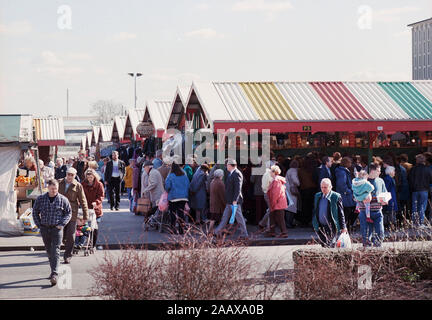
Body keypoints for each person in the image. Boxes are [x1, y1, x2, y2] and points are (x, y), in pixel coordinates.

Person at [32, 179, 71, 286]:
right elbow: (35, 211)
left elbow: (68, 213)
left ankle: (54, 274)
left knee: (56, 250)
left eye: (56, 189)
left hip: (57, 229)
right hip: (45, 228)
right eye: (52, 189)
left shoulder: (63, 199)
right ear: (48, 188)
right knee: (49, 251)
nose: (54, 191)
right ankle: (53, 269)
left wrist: (62, 224)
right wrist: (39, 225)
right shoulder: (41, 199)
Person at [58, 167, 89, 263]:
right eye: (68, 174)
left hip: (72, 213)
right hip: (60, 212)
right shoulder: (59, 182)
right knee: (60, 235)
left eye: (72, 175)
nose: (70, 176)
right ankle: (60, 248)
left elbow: (83, 201)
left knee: (71, 235)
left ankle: (67, 255)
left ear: (75, 176)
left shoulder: (78, 186)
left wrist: (85, 216)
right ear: (66, 174)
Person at [214, 159, 249, 240]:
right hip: (230, 200)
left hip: (234, 201)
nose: (226, 167)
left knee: (239, 218)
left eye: (227, 165)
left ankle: (245, 234)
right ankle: (217, 231)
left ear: (230, 165)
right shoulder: (232, 173)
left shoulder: (236, 173)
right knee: (225, 217)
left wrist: (235, 200)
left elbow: (238, 188)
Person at [357, 163, 388, 247]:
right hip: (364, 212)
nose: (380, 173)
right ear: (372, 171)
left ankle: (378, 250)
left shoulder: (380, 180)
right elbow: (355, 196)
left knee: (380, 232)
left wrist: (385, 199)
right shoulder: (361, 181)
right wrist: (362, 198)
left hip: (377, 211)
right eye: (378, 171)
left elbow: (385, 193)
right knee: (366, 235)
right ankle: (367, 252)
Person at [312, 178, 347, 248]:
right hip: (321, 226)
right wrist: (314, 223)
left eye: (325, 187)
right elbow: (315, 210)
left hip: (332, 226)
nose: (323, 189)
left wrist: (343, 227)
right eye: (322, 187)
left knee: (331, 245)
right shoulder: (317, 196)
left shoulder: (336, 196)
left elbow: (341, 213)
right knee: (324, 245)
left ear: (330, 187)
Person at [81, 169, 104, 249]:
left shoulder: (99, 184)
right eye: (88, 177)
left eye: (91, 177)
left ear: (94, 176)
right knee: (84, 227)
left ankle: (93, 245)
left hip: (96, 209)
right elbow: (80, 194)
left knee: (94, 227)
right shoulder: (83, 184)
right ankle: (84, 242)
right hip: (86, 208)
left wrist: (96, 202)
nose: (90, 179)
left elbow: (101, 196)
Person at [165, 162, 190, 234]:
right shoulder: (184, 176)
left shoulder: (170, 176)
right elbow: (188, 185)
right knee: (181, 214)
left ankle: (173, 229)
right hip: (183, 197)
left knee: (173, 213)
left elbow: (167, 187)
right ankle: (181, 229)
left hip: (173, 197)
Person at [408, 154, 432, 227]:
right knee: (422, 207)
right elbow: (431, 179)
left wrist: (412, 187)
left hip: (415, 190)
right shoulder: (428, 169)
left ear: (417, 160)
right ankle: (420, 223)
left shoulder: (413, 169)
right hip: (424, 190)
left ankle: (414, 222)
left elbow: (409, 179)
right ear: (424, 160)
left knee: (414, 207)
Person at [266, 165, 288, 238]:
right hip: (279, 202)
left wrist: (273, 203)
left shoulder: (276, 180)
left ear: (274, 172)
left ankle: (283, 232)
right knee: (274, 216)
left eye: (271, 171)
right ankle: (272, 231)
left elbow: (275, 193)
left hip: (277, 203)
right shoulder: (277, 180)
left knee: (279, 218)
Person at [335, 157, 357, 231]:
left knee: (347, 211)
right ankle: (346, 227)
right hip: (345, 195)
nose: (351, 164)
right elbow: (341, 184)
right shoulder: (342, 172)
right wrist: (349, 191)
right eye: (350, 162)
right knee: (348, 211)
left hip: (345, 195)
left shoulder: (342, 171)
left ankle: (347, 227)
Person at [209, 169, 226, 235]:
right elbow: (222, 195)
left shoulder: (212, 181)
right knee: (220, 218)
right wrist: (225, 203)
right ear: (221, 175)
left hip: (213, 202)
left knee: (213, 218)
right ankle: (218, 232)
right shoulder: (220, 183)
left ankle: (210, 231)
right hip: (218, 204)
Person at [285, 159, 300, 228]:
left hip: (288, 189)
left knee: (289, 207)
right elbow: (295, 180)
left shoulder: (289, 170)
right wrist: (299, 183)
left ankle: (289, 222)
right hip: (292, 190)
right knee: (291, 207)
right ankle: (289, 223)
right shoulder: (294, 171)